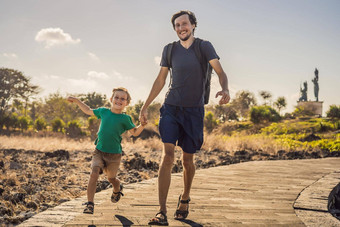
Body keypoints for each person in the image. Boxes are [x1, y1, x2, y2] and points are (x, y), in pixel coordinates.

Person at [139, 10, 230, 225]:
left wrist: (225, 89)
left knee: (187, 160)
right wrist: (145, 105)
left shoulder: (203, 46)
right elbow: (161, 80)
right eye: (177, 25)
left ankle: (185, 198)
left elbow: (220, 72)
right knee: (167, 156)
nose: (181, 28)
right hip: (171, 107)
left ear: (193, 25)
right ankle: (162, 211)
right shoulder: (169, 50)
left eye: (185, 24)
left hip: (194, 111)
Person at [67, 87, 146, 214]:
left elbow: (135, 132)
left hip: (114, 155)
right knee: (94, 172)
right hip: (99, 151)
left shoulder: (125, 119)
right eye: (116, 97)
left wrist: (142, 125)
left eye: (122, 99)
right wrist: (77, 100)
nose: (119, 100)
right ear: (111, 99)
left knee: (111, 179)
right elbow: (87, 110)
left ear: (127, 103)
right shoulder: (103, 111)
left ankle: (117, 188)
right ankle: (90, 204)